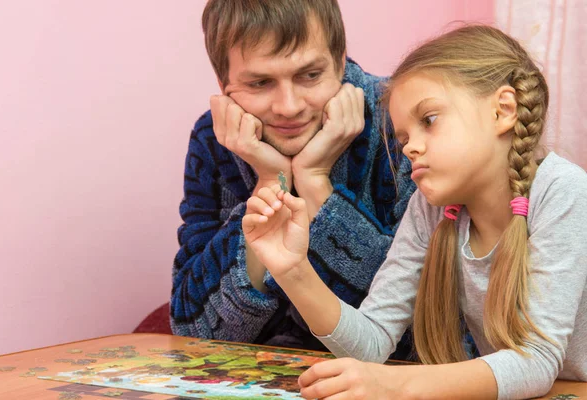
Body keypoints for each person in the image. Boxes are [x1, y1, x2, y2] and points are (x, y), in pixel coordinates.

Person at [243, 25, 587, 399]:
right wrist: (292, 270)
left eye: (429, 121)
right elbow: (371, 343)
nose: (410, 149)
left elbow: (536, 361)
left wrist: (393, 384)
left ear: (503, 110)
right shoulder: (431, 209)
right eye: (404, 138)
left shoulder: (563, 191)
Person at [170, 0, 416, 355]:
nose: (289, 106)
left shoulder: (403, 119)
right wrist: (271, 181)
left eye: (310, 75)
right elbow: (193, 332)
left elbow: (421, 327)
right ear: (224, 84)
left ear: (340, 60)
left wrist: (316, 183)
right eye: (259, 83)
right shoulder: (215, 138)